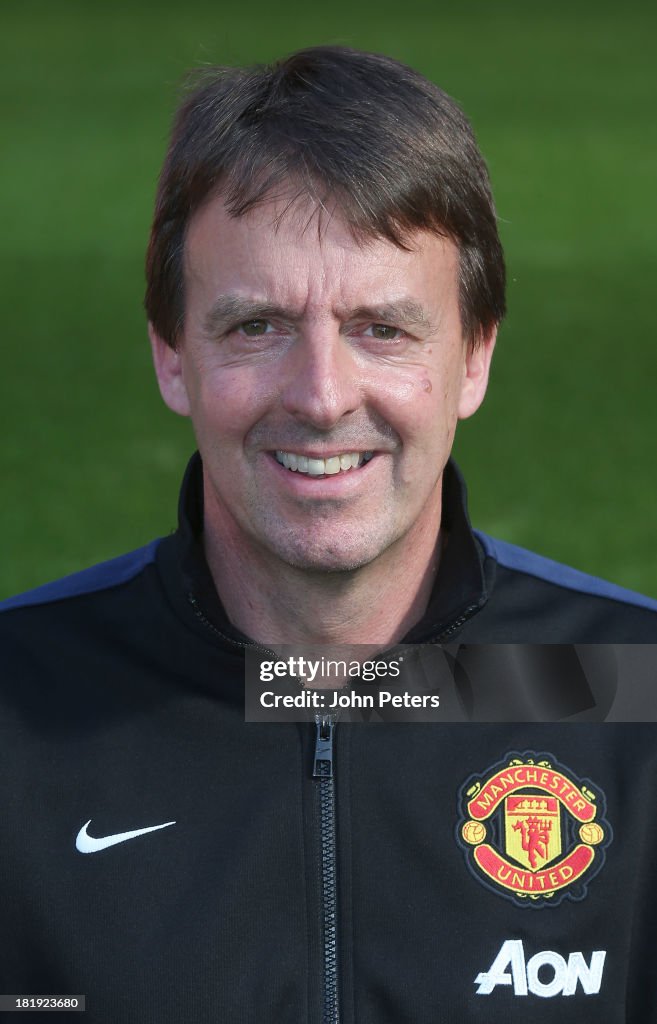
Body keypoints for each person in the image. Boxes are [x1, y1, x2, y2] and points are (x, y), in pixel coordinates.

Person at [1, 45, 656, 1024]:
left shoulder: (628, 691)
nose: (320, 396)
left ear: (474, 357)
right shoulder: (23, 701)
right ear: (172, 355)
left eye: (382, 328)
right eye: (256, 326)